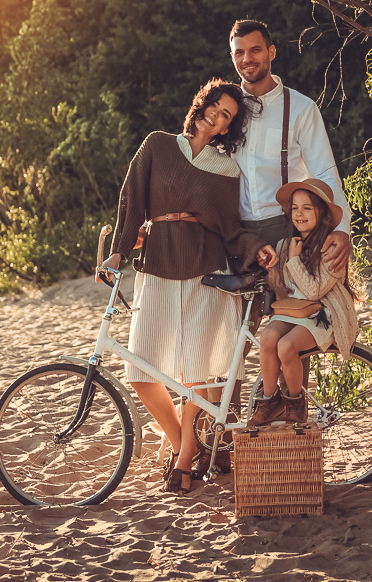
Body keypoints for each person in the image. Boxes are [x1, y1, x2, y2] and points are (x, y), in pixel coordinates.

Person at [98, 79, 277, 496]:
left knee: (195, 371)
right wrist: (117, 254)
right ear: (202, 104)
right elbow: (131, 203)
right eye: (216, 106)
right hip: (157, 264)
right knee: (142, 370)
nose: (218, 115)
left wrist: (258, 249)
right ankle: (187, 444)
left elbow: (231, 230)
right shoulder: (157, 145)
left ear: (227, 128)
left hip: (205, 269)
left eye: (227, 116)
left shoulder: (225, 168)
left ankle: (183, 463)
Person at [229, 19, 352, 262]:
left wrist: (342, 229)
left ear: (271, 52)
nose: (247, 59)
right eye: (239, 52)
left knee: (295, 300)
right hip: (236, 233)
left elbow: (325, 173)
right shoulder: (225, 109)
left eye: (255, 50)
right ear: (232, 57)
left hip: (289, 228)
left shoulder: (301, 108)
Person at [248, 179, 359, 426]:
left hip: (325, 311)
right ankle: (269, 400)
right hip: (295, 309)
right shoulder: (285, 245)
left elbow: (313, 291)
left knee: (287, 347)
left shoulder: (332, 247)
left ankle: (295, 403)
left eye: (307, 208)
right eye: (295, 208)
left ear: (323, 214)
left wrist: (294, 260)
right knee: (267, 340)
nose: (299, 213)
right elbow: (283, 288)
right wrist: (273, 266)